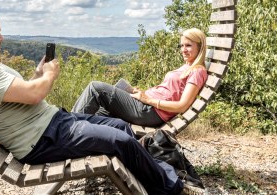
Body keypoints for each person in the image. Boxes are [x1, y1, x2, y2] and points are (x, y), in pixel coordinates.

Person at [0, 10, 206, 195]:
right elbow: (32, 96)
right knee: (121, 141)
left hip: (52, 124)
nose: (2, 38)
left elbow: (18, 93)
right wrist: (50, 75)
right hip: (42, 139)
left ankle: (164, 179)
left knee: (120, 126)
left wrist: (38, 75)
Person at [72, 28, 208, 127]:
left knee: (96, 88)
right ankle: (77, 138)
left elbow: (181, 106)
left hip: (150, 112)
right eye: (182, 45)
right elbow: (168, 91)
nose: (183, 50)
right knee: (100, 114)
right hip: (146, 106)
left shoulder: (197, 71)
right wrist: (141, 93)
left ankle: (67, 129)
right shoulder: (187, 66)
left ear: (200, 47)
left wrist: (148, 99)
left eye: (188, 45)